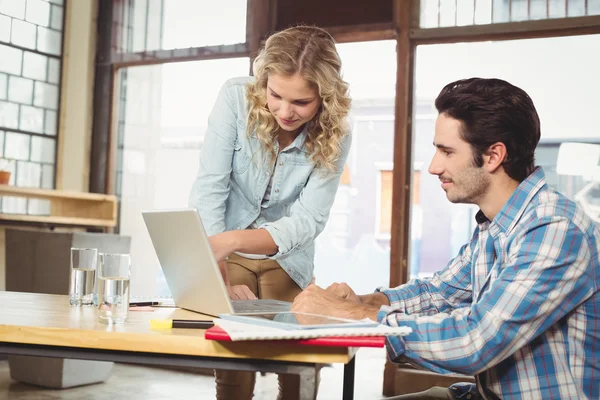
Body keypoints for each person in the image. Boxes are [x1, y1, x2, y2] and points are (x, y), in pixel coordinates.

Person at [291, 77, 600, 400]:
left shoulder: (554, 229)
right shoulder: (496, 226)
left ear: (493, 156)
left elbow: (476, 340)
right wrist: (366, 302)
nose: (434, 167)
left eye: (447, 151)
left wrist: (352, 316)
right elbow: (441, 292)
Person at [189, 25, 352, 400]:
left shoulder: (338, 129)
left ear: (324, 99)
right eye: (275, 95)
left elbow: (309, 219)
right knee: (234, 378)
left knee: (299, 377)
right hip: (227, 254)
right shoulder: (235, 97)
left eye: (301, 102)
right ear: (263, 80)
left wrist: (231, 240)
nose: (284, 111)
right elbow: (210, 187)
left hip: (289, 259)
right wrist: (220, 274)